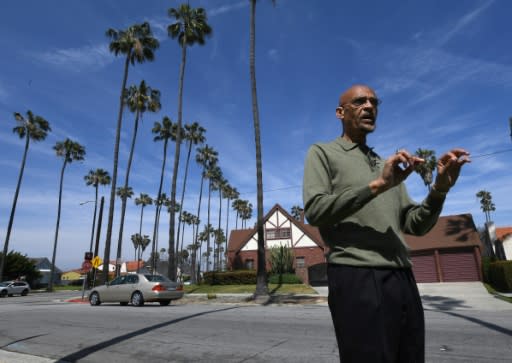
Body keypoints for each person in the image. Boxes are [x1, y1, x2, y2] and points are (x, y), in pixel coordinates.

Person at [302, 84, 470, 363]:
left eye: (374, 102)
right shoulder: (322, 152)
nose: (369, 106)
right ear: (340, 112)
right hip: (356, 276)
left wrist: (439, 189)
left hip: (402, 278)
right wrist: (377, 185)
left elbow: (414, 224)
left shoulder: (386, 165)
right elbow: (316, 210)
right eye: (359, 102)